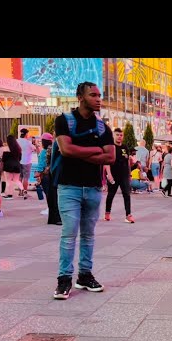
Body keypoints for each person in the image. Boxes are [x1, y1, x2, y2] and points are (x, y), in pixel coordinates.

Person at [53, 81, 115, 300]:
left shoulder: (102, 127)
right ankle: (64, 279)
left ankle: (85, 275)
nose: (98, 99)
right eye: (93, 95)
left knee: (88, 235)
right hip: (68, 186)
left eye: (99, 95)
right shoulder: (64, 121)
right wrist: (96, 150)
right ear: (80, 97)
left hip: (93, 188)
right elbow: (66, 149)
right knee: (69, 234)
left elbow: (111, 156)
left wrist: (79, 152)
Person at [104, 128, 134, 223]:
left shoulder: (125, 147)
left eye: (121, 135)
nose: (119, 137)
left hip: (124, 175)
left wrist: (129, 174)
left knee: (127, 194)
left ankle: (128, 215)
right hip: (114, 174)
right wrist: (109, 174)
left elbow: (127, 162)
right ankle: (107, 213)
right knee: (111, 195)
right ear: (113, 135)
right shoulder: (111, 147)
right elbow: (106, 162)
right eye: (117, 135)